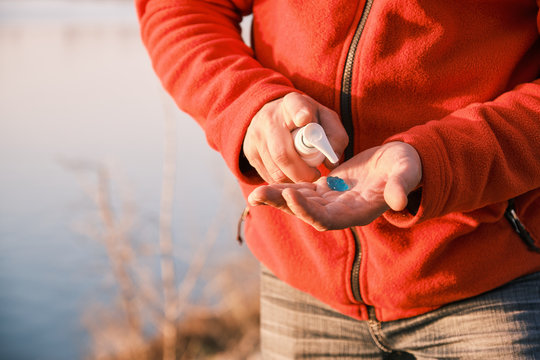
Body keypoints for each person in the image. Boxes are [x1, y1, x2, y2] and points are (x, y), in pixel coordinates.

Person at [136, 0, 540, 358]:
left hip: (491, 291)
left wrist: (436, 158)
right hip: (299, 287)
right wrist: (248, 103)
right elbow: (179, 8)